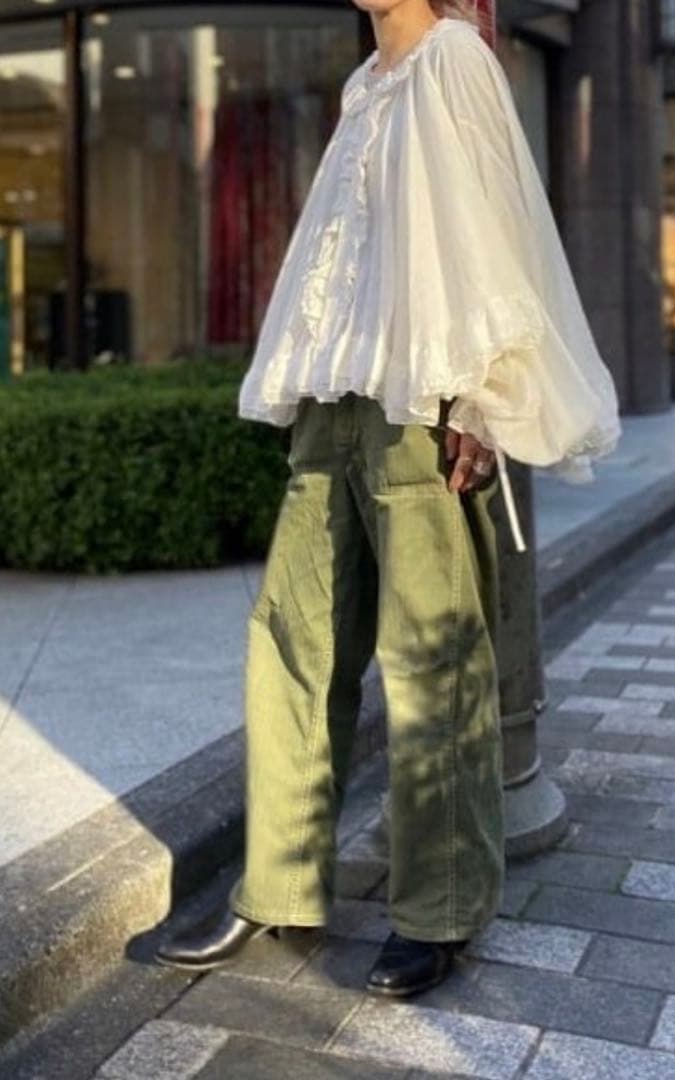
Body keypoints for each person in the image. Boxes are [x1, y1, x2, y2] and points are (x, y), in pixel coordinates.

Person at [155, 0, 621, 996]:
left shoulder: (455, 58)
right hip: (334, 393)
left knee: (430, 656)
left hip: (421, 397)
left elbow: (499, 231)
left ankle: (440, 910)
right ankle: (277, 886)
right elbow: (344, 250)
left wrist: (485, 400)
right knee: (291, 637)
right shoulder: (362, 84)